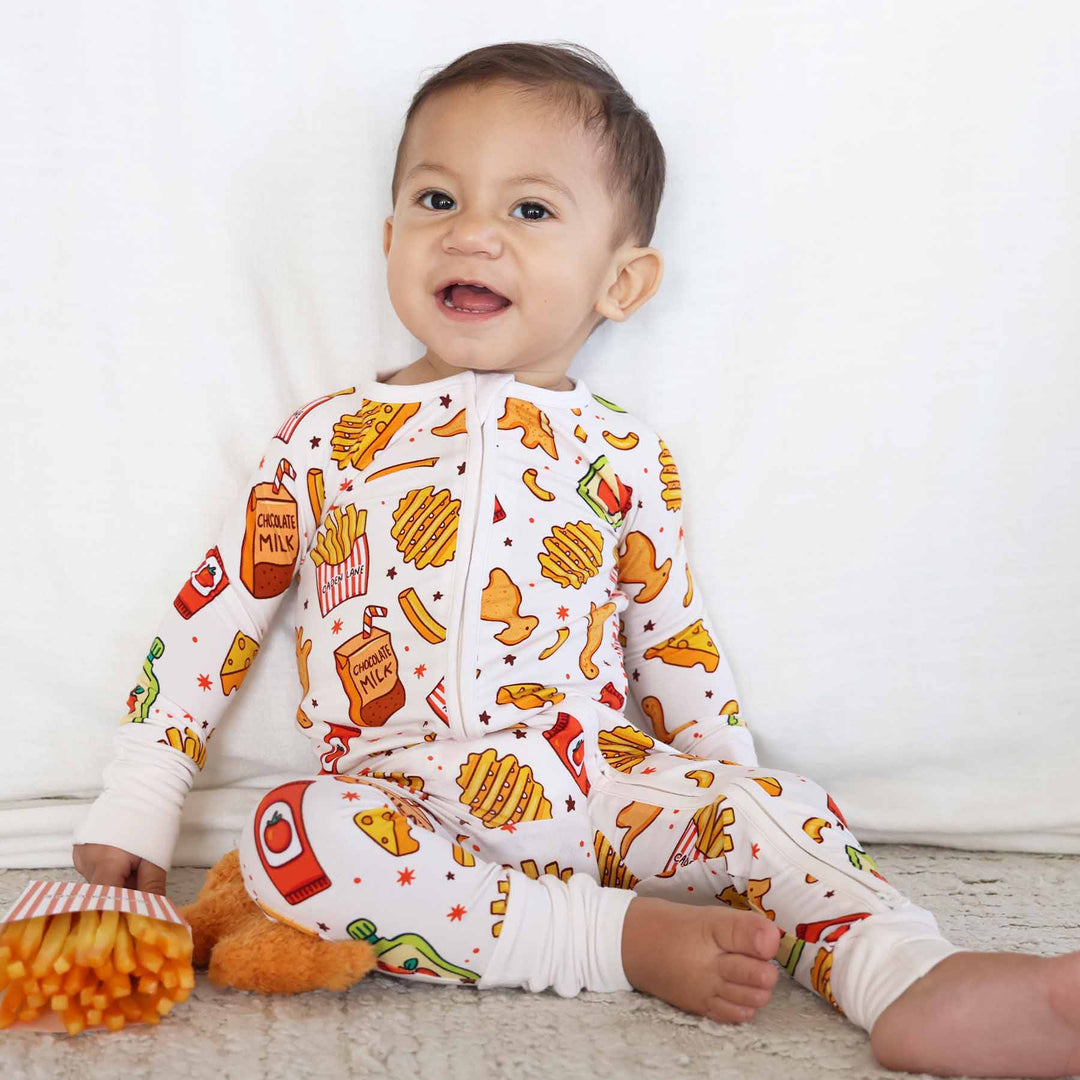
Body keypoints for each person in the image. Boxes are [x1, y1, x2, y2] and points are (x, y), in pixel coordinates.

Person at [72, 40, 1080, 1077]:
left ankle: (905, 973)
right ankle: (611, 942)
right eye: (436, 200)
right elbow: (219, 612)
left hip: (599, 787)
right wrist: (140, 796)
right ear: (389, 238)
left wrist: (727, 795)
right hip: (403, 803)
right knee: (293, 839)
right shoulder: (324, 440)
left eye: (530, 210)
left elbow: (673, 637)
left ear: (622, 281)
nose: (472, 233)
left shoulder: (625, 454)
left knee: (783, 807)